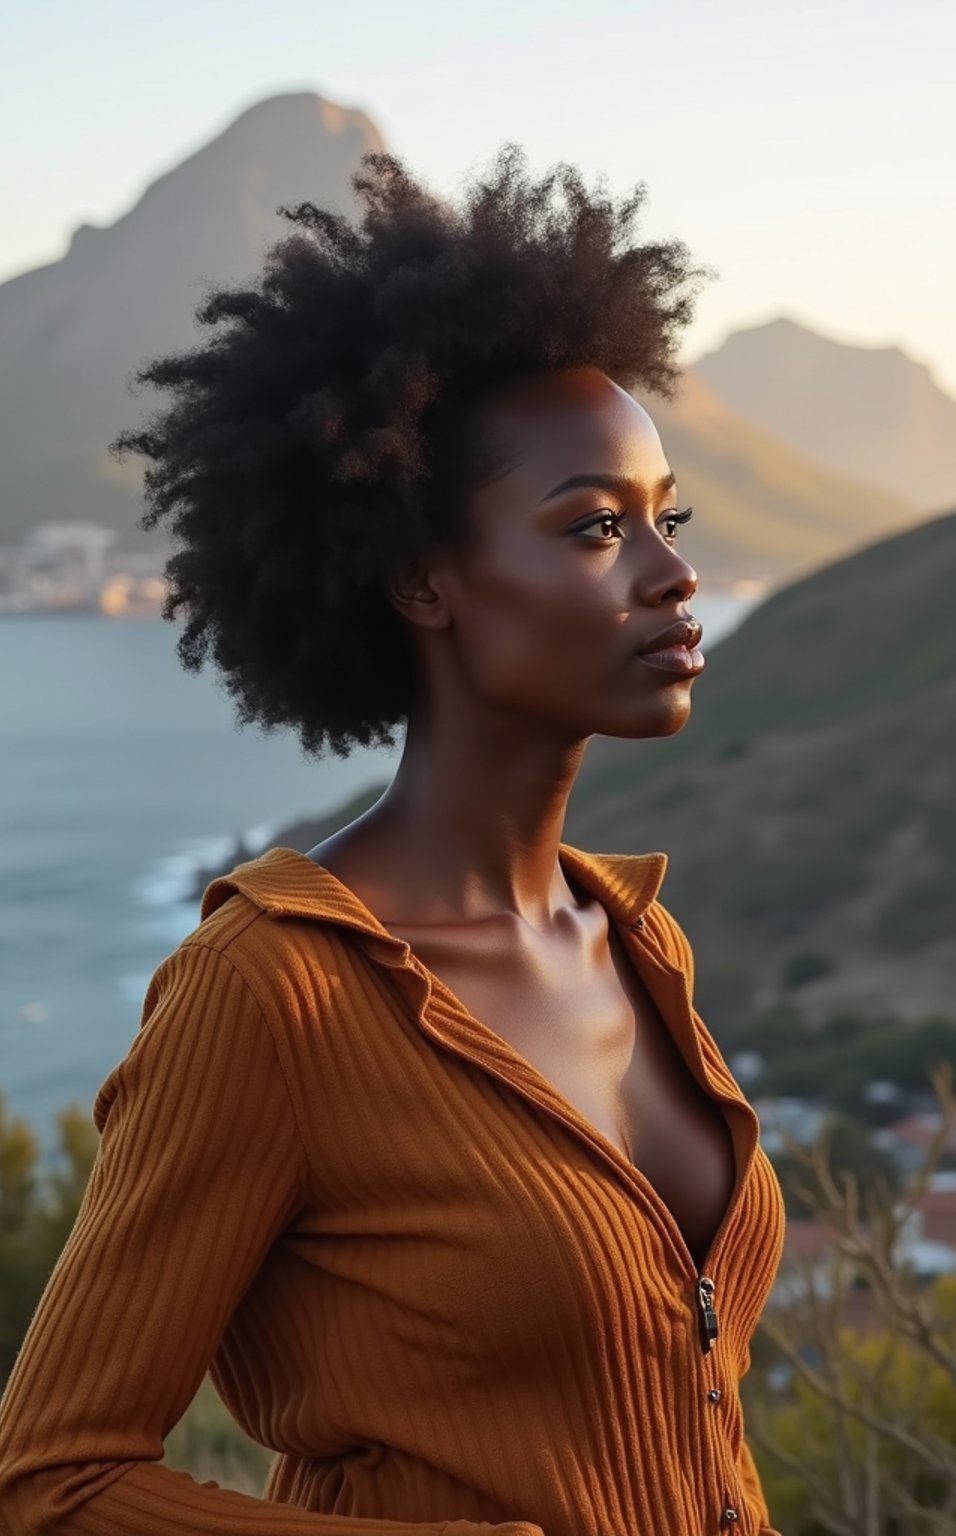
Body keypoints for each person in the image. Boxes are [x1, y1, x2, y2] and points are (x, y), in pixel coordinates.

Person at [0, 144, 785, 1536]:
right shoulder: (275, 991)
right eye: (596, 528)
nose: (672, 572)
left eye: (670, 519)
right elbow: (53, 1484)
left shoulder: (634, 939)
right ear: (424, 579)